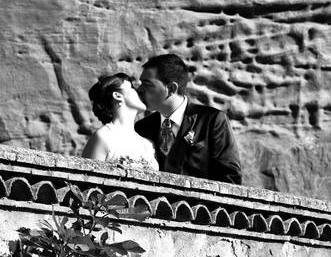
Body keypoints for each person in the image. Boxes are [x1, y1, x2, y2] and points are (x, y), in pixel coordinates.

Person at [134, 54, 242, 185]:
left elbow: (230, 177)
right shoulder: (142, 127)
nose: (139, 89)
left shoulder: (212, 120)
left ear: (171, 88)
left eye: (147, 84)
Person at [82, 73, 159, 170]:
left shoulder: (148, 144)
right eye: (132, 88)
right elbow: (87, 180)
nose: (139, 91)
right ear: (117, 96)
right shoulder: (104, 137)